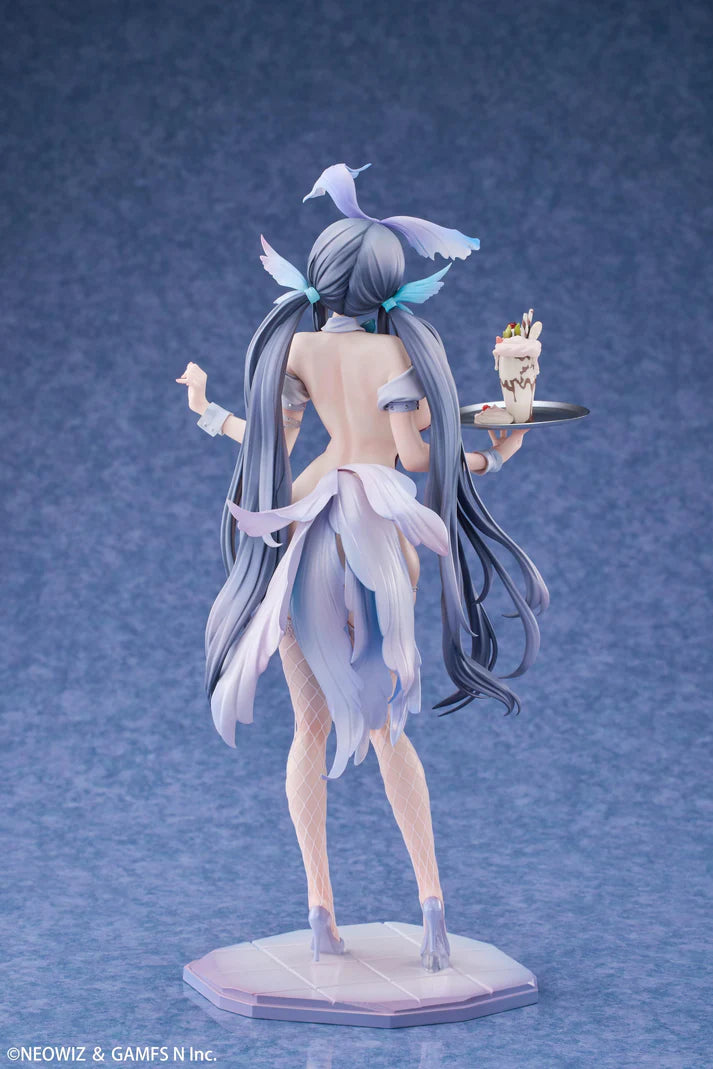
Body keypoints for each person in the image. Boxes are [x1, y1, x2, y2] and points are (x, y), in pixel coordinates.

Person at [176, 163, 548, 973]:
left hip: (304, 522)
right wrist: (498, 451)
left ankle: (320, 911)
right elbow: (417, 458)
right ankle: (432, 907)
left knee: (308, 728)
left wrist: (205, 409)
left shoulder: (297, 347)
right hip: (374, 525)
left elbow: (269, 443)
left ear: (321, 276)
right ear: (386, 283)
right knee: (385, 729)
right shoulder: (399, 352)